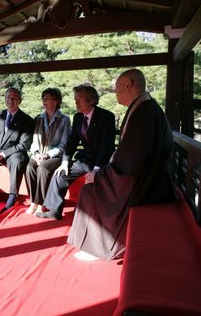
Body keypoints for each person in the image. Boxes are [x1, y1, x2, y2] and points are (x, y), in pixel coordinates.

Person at [67, 69, 178, 261]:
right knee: (93, 185)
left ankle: (100, 246)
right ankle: (94, 242)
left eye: (117, 86)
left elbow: (130, 160)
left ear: (129, 84)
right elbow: (129, 155)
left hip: (148, 183)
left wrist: (101, 176)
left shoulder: (145, 113)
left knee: (90, 191)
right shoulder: (144, 108)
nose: (115, 91)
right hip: (146, 174)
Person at [36, 84, 116, 220]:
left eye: (79, 99)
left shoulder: (106, 116)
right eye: (75, 99)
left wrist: (96, 169)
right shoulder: (78, 117)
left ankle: (104, 215)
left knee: (98, 179)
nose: (76, 102)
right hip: (85, 160)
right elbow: (72, 141)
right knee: (60, 174)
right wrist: (65, 162)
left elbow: (106, 146)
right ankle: (54, 210)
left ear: (91, 100)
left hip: (103, 161)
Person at [25, 88, 71, 215]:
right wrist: (36, 154)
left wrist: (47, 155)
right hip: (39, 154)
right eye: (43, 98)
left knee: (43, 169)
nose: (44, 101)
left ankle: (42, 203)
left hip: (56, 155)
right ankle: (33, 201)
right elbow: (34, 140)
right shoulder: (38, 118)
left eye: (47, 98)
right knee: (30, 167)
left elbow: (64, 143)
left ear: (56, 101)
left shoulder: (64, 119)